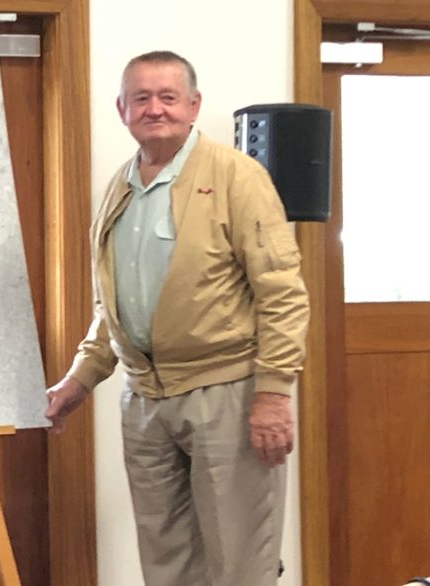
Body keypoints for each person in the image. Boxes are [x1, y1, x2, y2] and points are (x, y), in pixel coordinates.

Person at [43, 51, 310, 586]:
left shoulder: (238, 175)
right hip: (144, 402)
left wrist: (274, 393)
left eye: (168, 97)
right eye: (141, 98)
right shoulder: (120, 186)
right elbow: (113, 304)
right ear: (122, 109)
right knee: (165, 565)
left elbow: (282, 292)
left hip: (228, 394)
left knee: (239, 565)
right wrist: (80, 378)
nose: (155, 109)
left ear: (193, 106)